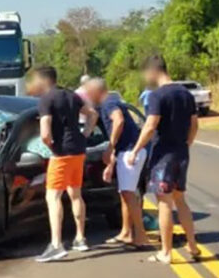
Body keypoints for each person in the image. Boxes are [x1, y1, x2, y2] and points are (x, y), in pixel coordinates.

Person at [125, 55, 200, 264]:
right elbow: (194, 124)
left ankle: (166, 252)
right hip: (181, 152)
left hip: (163, 155)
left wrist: (135, 150)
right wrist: (188, 143)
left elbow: (150, 126)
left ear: (153, 71)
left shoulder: (158, 96)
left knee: (164, 202)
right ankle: (192, 244)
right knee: (180, 199)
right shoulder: (186, 94)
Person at [32, 66, 99, 262]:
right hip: (78, 151)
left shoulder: (46, 100)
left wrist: (51, 146)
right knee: (75, 193)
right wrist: (84, 135)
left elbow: (45, 133)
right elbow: (92, 114)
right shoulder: (71, 95)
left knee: (53, 197)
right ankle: (80, 238)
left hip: (61, 153)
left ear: (44, 80)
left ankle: (56, 244)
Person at [85, 79, 149, 249]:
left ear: (96, 91)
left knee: (128, 194)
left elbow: (118, 120)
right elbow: (92, 117)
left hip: (130, 152)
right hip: (126, 151)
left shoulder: (108, 103)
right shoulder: (104, 104)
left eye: (88, 93)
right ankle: (126, 232)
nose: (87, 96)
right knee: (124, 194)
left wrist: (110, 148)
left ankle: (141, 235)